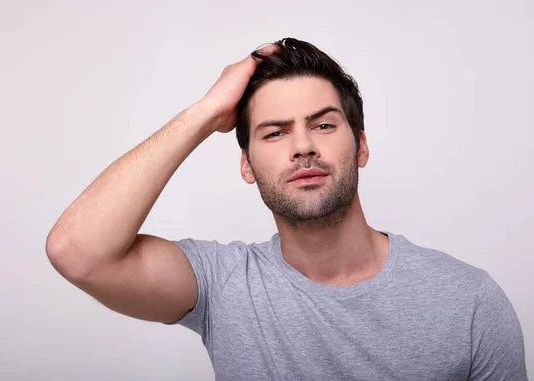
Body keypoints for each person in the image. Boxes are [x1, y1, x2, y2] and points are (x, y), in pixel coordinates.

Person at [46, 37, 528, 380]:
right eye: (274, 133)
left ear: (360, 146)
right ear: (247, 165)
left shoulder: (469, 301)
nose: (301, 146)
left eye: (322, 126)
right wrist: (208, 111)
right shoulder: (224, 284)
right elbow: (77, 252)